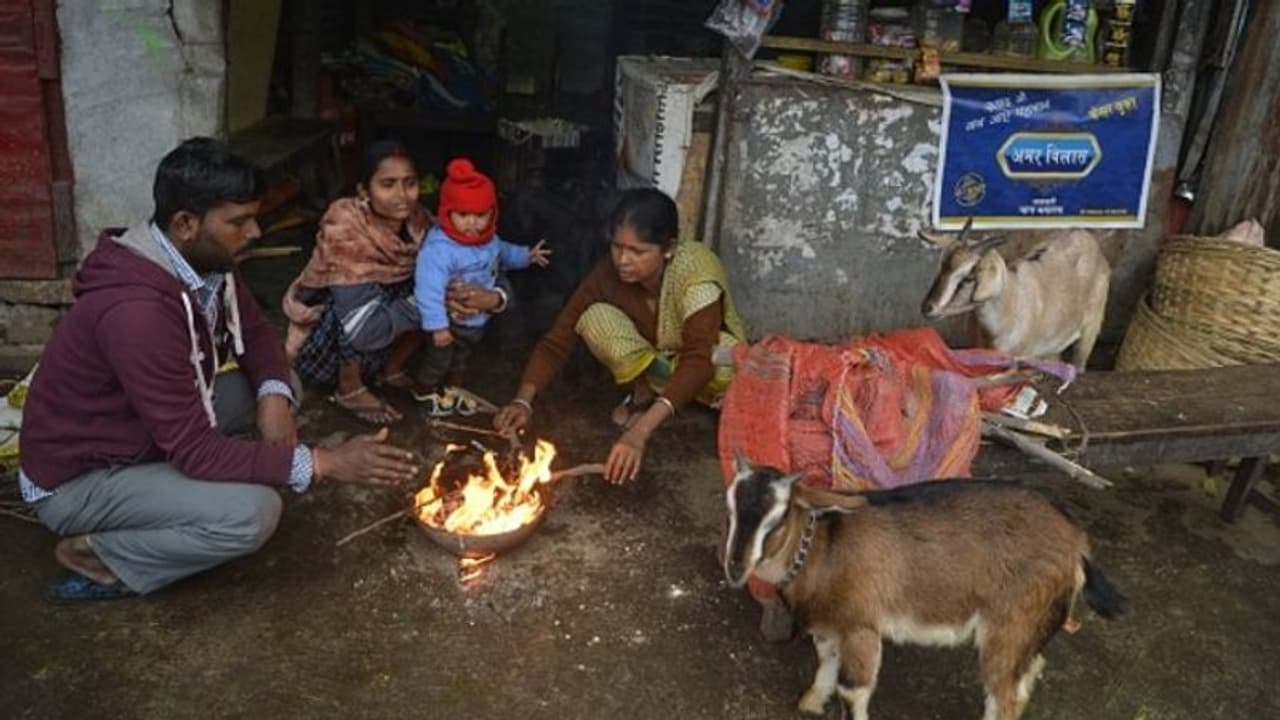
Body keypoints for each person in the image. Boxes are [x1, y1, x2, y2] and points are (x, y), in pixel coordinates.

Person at [16, 138, 419, 601]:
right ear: (186, 223)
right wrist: (326, 462)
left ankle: (184, 491)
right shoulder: (137, 314)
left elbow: (257, 333)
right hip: (79, 481)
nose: (255, 233)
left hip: (136, 435)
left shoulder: (204, 263)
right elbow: (194, 451)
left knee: (282, 382)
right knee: (252, 513)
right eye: (239, 221)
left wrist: (271, 397)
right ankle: (103, 555)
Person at [494, 188, 746, 484]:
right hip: (659, 363)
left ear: (669, 248)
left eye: (637, 251)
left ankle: (670, 403)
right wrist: (523, 400)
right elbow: (557, 339)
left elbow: (699, 359)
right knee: (594, 318)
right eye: (617, 247)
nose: (623, 260)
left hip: (704, 362)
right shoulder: (608, 273)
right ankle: (646, 393)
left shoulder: (696, 268)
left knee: (725, 365)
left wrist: (639, 433)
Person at [284, 143, 509, 423]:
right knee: (398, 297)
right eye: (387, 185)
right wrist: (436, 301)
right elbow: (362, 329)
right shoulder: (346, 227)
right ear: (364, 191)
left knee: (445, 279)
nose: (402, 196)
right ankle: (349, 387)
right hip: (333, 342)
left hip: (386, 329)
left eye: (410, 183)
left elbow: (484, 263)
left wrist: (494, 297)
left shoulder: (421, 222)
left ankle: (391, 368)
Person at [412, 158, 550, 416]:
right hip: (449, 323)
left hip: (476, 321)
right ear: (447, 212)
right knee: (438, 361)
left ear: (492, 213)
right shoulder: (440, 249)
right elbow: (428, 289)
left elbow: (504, 253)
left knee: (461, 360)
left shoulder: (489, 240)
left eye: (480, 215)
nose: (472, 223)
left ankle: (454, 393)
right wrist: (437, 325)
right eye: (463, 215)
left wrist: (526, 255)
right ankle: (424, 393)